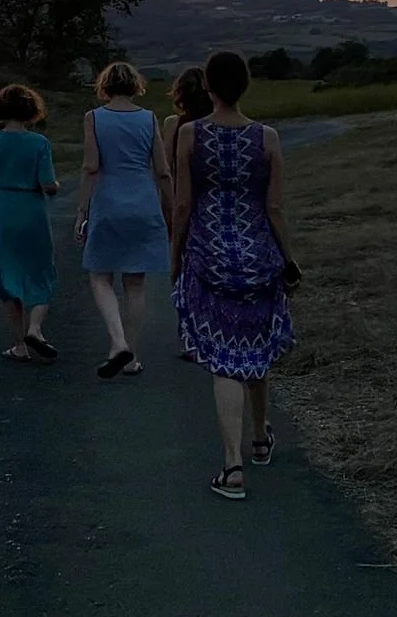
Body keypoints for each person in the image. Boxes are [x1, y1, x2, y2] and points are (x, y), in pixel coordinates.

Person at [170, 50, 301, 502]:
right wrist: (288, 258)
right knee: (257, 345)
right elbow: (275, 207)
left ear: (207, 87)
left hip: (209, 257)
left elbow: (184, 205)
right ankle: (261, 437)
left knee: (224, 358)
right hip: (259, 255)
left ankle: (232, 465)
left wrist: (175, 255)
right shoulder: (268, 138)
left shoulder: (190, 134)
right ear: (246, 85)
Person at [74, 60, 173, 379]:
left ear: (104, 85)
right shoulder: (148, 118)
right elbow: (162, 169)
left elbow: (91, 166)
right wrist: (170, 208)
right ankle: (131, 355)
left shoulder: (94, 118)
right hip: (144, 201)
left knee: (100, 275)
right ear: (135, 85)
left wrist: (81, 211)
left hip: (108, 201)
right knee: (136, 283)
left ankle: (117, 342)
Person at [0, 83, 61, 362]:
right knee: (40, 270)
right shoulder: (39, 143)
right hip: (31, 208)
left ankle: (20, 344)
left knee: (6, 276)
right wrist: (55, 187)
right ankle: (35, 328)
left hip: (3, 208)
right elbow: (48, 184)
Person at [160, 66, 212, 363]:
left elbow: (166, 167)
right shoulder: (216, 124)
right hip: (210, 204)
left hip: (182, 201)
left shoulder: (174, 125)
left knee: (180, 266)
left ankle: (188, 334)